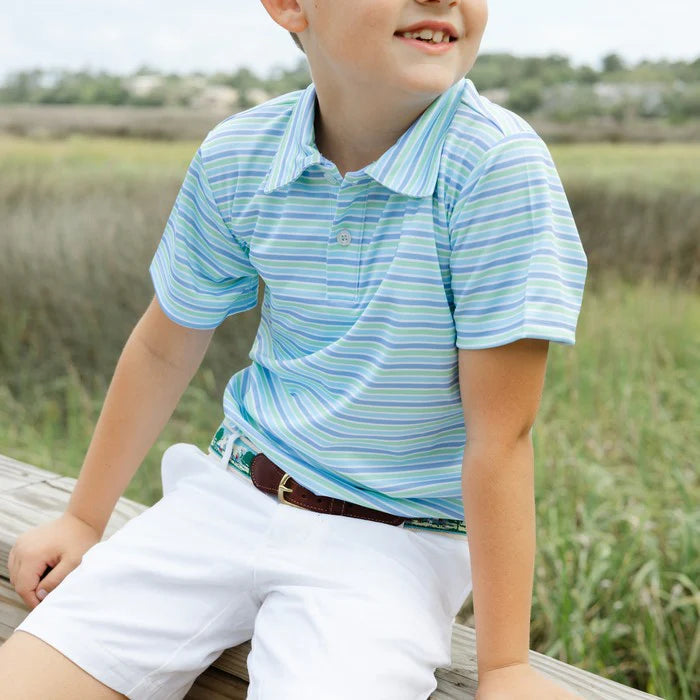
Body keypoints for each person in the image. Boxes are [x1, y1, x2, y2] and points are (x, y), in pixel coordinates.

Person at [0, 1, 588, 698]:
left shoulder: (495, 168)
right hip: (227, 494)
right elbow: (164, 347)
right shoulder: (241, 153)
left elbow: (502, 435)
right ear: (288, 5)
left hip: (391, 544)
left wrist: (505, 667)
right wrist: (82, 517)